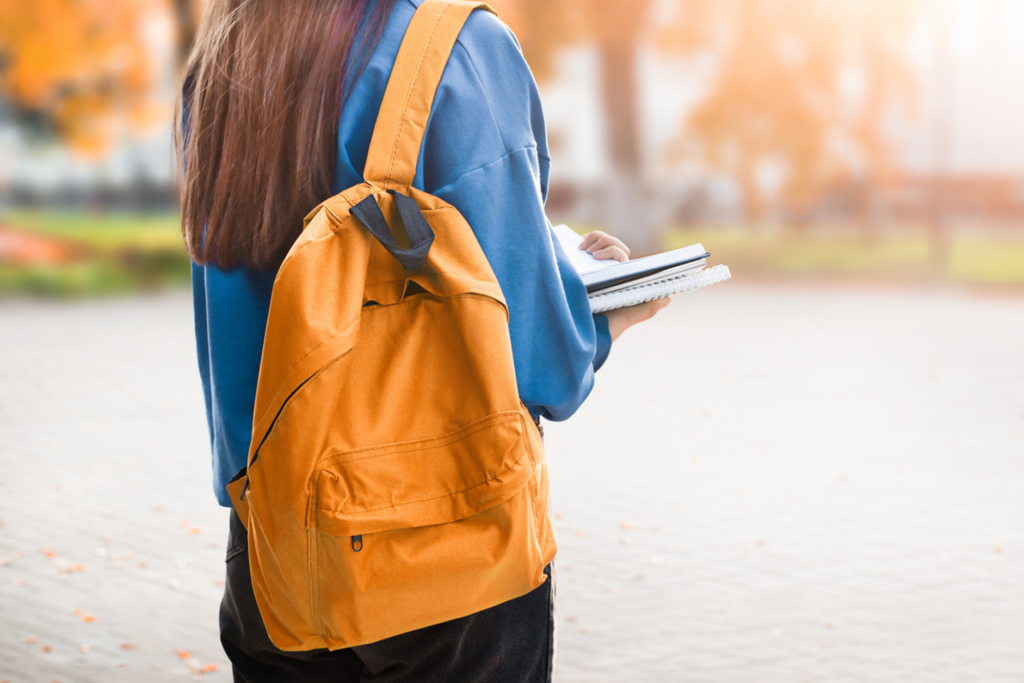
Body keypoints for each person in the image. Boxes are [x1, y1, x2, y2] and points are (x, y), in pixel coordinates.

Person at [177, 0, 667, 680]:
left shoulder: (227, 57)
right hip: (441, 546)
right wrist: (606, 316)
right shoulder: (458, 47)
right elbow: (538, 359)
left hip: (273, 547)